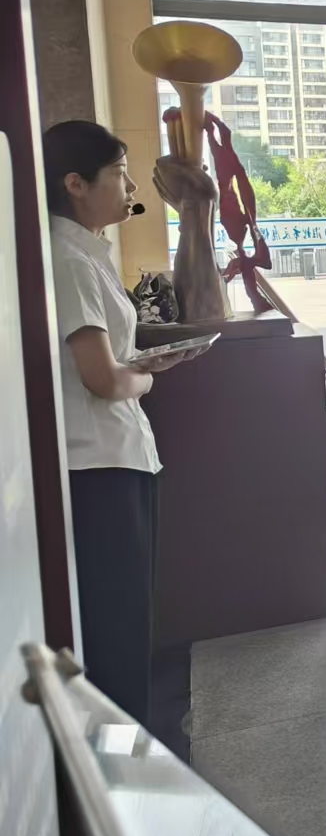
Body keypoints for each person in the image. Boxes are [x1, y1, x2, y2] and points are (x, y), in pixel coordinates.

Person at [44, 121, 202, 728]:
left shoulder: (87, 252)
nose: (132, 187)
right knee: (116, 625)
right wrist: (148, 376)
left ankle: (128, 748)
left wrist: (141, 363)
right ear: (76, 184)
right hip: (99, 465)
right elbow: (102, 378)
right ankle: (121, 758)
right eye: (119, 174)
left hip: (118, 456)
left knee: (128, 618)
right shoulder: (68, 260)